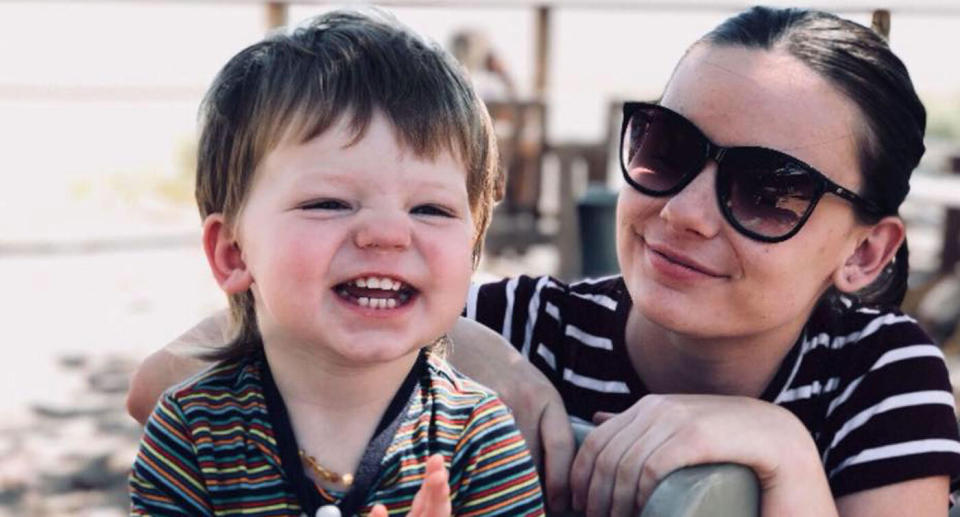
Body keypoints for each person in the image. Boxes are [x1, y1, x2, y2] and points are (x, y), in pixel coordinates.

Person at [127, 6, 960, 517]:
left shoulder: (879, 376)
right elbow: (158, 384)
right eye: (668, 148)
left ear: (864, 252)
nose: (685, 210)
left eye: (770, 191)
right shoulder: (526, 325)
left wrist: (779, 447)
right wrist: (462, 336)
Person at [127, 10, 545, 517]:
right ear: (234, 253)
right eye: (329, 202)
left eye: (431, 209)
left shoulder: (480, 443)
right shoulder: (191, 433)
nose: (388, 234)